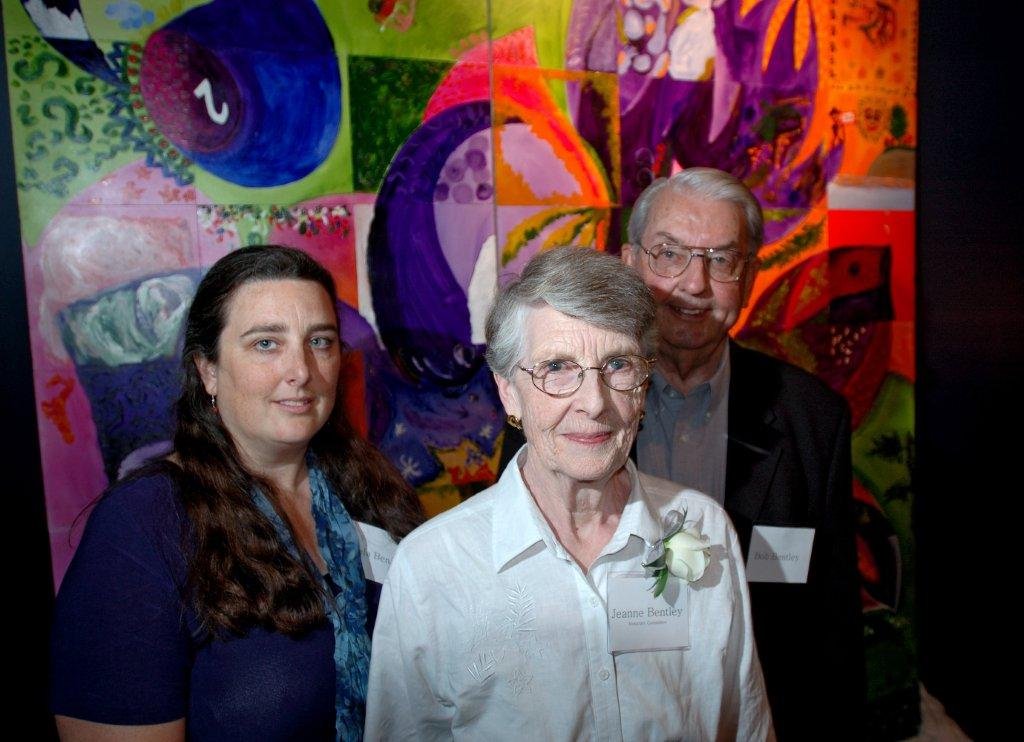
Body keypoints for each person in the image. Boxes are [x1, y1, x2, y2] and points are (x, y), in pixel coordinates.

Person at [365, 246, 773, 740]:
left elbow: (744, 725)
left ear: (644, 385)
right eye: (557, 368)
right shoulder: (434, 568)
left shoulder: (703, 530)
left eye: (617, 364)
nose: (594, 403)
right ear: (509, 391)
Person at [50, 245, 424, 740]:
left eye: (320, 341)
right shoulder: (145, 525)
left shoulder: (372, 491)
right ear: (208, 370)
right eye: (266, 344)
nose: (302, 371)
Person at [621, 168, 865, 739]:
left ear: (751, 276)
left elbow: (832, 627)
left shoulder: (813, 420)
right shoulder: (567, 409)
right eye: (669, 254)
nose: (694, 284)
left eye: (722, 260)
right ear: (630, 263)